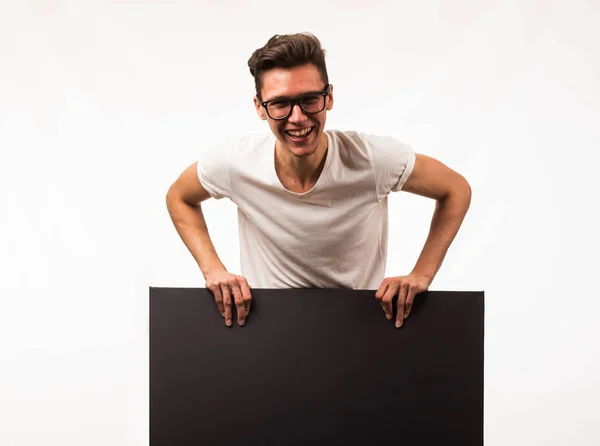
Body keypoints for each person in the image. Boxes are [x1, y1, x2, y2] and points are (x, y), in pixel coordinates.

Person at [166, 33, 471, 329]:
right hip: (265, 328)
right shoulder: (236, 162)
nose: (297, 118)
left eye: (310, 99)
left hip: (358, 327)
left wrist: (421, 275)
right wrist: (213, 270)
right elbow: (179, 197)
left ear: (329, 97)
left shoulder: (372, 159)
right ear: (260, 108)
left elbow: (455, 189)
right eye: (280, 104)